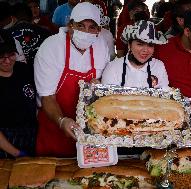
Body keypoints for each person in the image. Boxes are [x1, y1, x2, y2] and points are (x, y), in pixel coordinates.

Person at [34, 2, 110, 157]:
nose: (86, 31)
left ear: (99, 30)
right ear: (70, 25)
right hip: (55, 126)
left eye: (92, 27)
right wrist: (62, 121)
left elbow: (103, 82)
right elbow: (47, 96)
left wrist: (99, 86)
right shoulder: (51, 48)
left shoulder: (101, 46)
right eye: (80, 26)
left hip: (89, 130)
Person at [0, 29, 37, 158]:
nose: (7, 60)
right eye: (1, 56)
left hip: (32, 135)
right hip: (6, 143)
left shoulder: (25, 70)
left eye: (10, 54)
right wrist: (16, 153)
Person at [102, 20, 169, 88]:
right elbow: (108, 97)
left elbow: (163, 94)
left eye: (150, 45)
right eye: (140, 44)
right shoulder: (113, 68)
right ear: (129, 45)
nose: (145, 50)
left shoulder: (158, 66)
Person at [5, 3, 51, 68]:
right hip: (42, 70)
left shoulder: (6, 34)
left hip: (17, 72)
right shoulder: (45, 31)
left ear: (13, 17)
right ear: (30, 16)